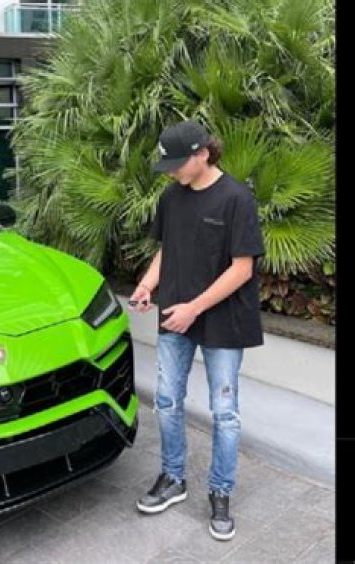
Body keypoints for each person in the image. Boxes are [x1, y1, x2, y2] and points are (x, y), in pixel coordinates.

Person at [129, 120, 264, 541]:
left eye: (177, 163)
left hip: (223, 319)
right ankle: (173, 478)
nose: (171, 172)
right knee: (167, 400)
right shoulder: (172, 197)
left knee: (224, 413)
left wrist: (194, 308)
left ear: (203, 153)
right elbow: (167, 250)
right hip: (175, 315)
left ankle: (220, 491)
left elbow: (242, 269)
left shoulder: (237, 198)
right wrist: (147, 285)